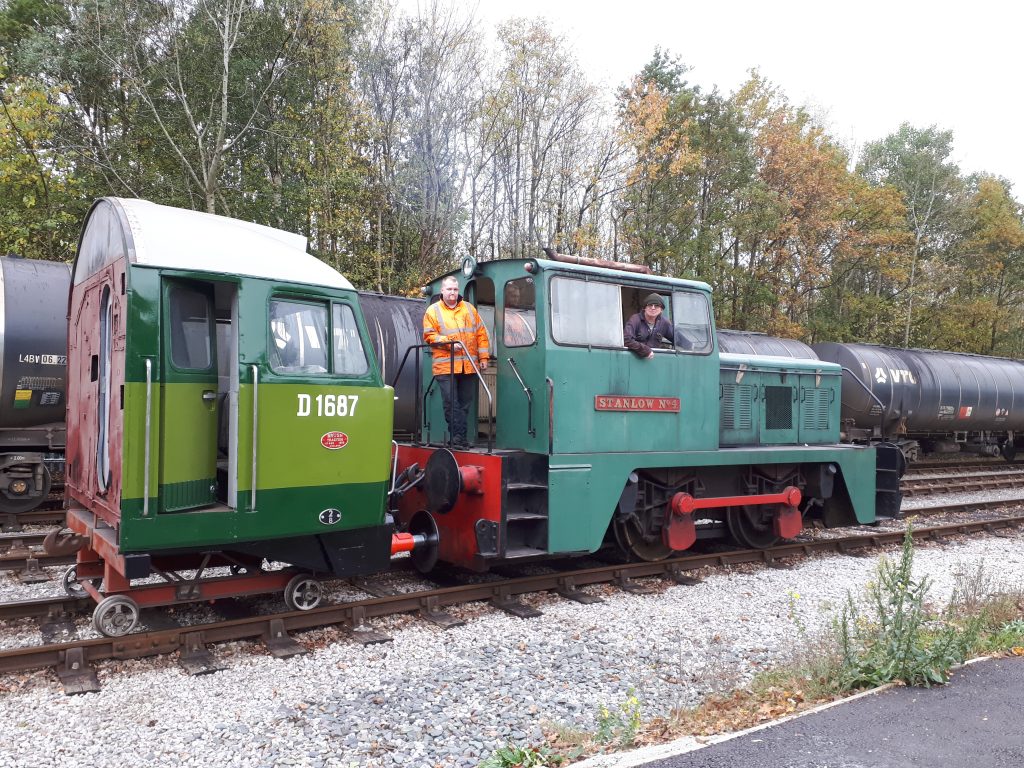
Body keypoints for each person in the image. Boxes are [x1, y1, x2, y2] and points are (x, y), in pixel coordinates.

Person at [423, 276, 491, 447]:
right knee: (451, 403)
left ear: (458, 290)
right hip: (445, 366)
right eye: (449, 289)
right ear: (442, 291)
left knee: (465, 404)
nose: (452, 292)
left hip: (469, 365)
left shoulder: (469, 309)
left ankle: (459, 438)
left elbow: (481, 334)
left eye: (455, 289)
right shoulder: (433, 311)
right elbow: (429, 336)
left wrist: (483, 358)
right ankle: (459, 438)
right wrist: (450, 344)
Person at [624, 293, 674, 359]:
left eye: (656, 305)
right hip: (635, 359)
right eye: (650, 305)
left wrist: (691, 346)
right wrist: (645, 350)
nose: (653, 308)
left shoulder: (664, 323)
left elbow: (678, 339)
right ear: (645, 307)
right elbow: (626, 339)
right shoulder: (635, 319)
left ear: (661, 309)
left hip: (654, 361)